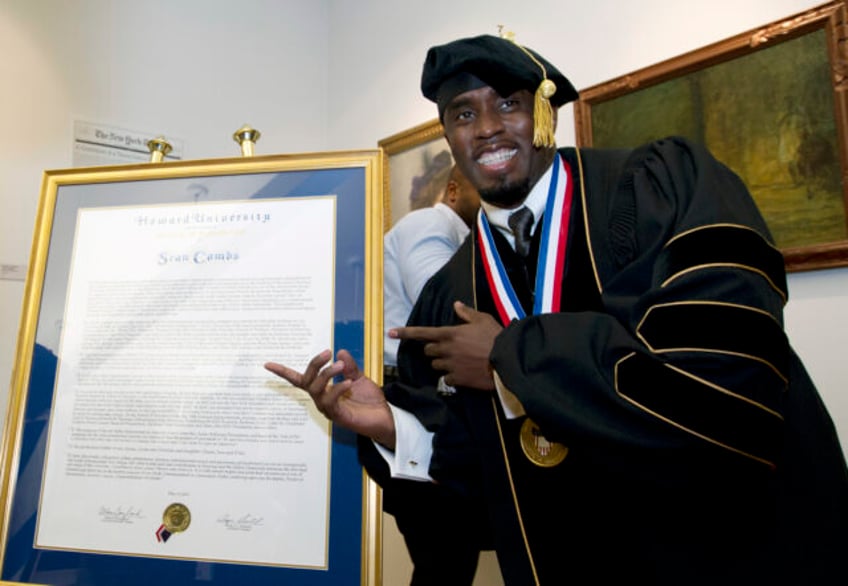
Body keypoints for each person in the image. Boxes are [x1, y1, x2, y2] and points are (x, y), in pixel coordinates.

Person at [266, 33, 848, 585]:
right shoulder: (449, 291)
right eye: (464, 114)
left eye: (509, 104)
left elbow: (727, 383)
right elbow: (476, 485)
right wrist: (394, 426)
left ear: (546, 115)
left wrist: (510, 357)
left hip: (732, 557)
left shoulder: (659, 192)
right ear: (448, 135)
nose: (489, 129)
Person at [383, 165, 480, 385]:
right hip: (400, 378)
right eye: (481, 188)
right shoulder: (430, 221)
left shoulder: (462, 236)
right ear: (453, 192)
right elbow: (445, 305)